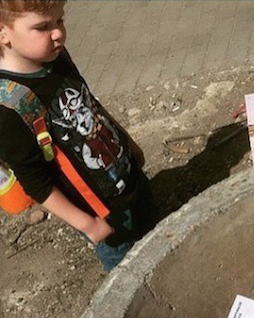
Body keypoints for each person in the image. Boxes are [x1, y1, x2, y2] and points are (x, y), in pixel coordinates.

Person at [0, 0, 158, 271]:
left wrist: (127, 142)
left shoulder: (57, 58)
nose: (58, 33)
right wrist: (87, 224)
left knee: (156, 233)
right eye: (43, 27)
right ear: (3, 33)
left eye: (60, 20)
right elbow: (36, 183)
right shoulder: (9, 108)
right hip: (98, 211)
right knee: (128, 268)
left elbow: (90, 105)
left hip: (128, 175)